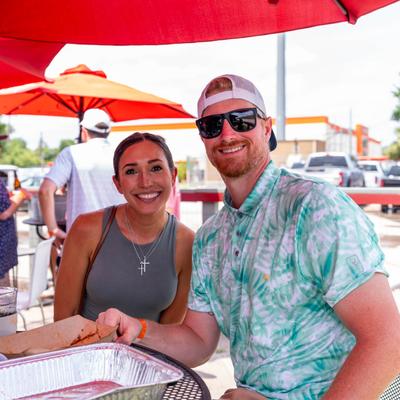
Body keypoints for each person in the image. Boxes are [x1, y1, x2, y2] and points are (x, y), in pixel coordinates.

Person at [98, 74, 400, 399]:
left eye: (241, 120)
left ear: (267, 128)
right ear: (203, 138)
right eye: (212, 125)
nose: (227, 133)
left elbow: (387, 340)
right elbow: (198, 342)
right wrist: (137, 328)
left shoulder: (314, 208)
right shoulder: (211, 238)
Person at [54, 132, 194, 325]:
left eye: (155, 168)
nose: (145, 182)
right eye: (131, 171)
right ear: (117, 183)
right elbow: (63, 320)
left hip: (149, 355)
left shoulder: (187, 243)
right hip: (86, 352)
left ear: (173, 175)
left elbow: (171, 330)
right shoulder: (86, 229)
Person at [39, 108, 125, 243]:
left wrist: (53, 229)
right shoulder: (122, 154)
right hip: (120, 236)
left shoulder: (71, 153)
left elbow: (45, 191)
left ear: (83, 131)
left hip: (81, 239)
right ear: (108, 131)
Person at [0, 180, 32, 286]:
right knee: (3, 291)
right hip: (2, 243)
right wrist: (21, 196)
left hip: (5, 243)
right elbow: (4, 213)